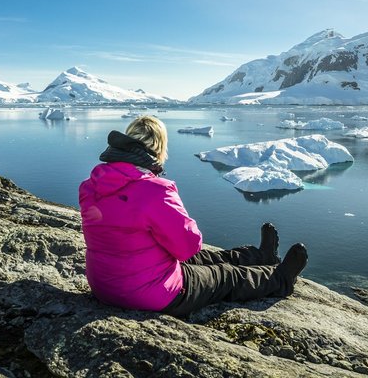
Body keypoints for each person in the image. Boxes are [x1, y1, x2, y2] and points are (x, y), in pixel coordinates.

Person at [79, 115, 308, 317]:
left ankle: (260, 255)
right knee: (224, 276)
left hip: (104, 285)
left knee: (203, 260)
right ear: (158, 149)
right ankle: (281, 279)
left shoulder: (90, 186)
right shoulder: (154, 191)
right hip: (149, 293)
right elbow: (188, 247)